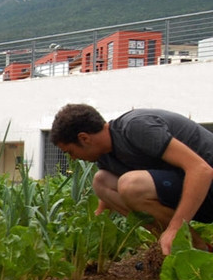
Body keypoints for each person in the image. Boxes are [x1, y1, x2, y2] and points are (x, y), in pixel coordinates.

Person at [50, 103, 213, 255]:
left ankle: (182, 241)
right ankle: (195, 249)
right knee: (101, 181)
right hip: (195, 195)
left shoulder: (136, 127)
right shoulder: (105, 156)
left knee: (130, 185)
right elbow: (105, 203)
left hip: (206, 185)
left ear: (84, 138)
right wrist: (88, 234)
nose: (72, 158)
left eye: (70, 151)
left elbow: (201, 170)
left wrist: (175, 227)